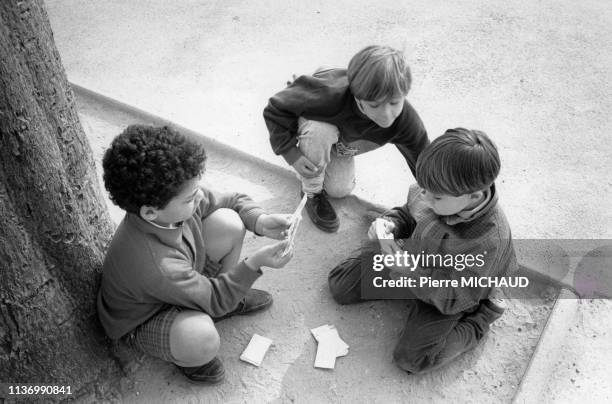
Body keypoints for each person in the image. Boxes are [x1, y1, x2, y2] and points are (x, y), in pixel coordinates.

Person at [97, 125, 293, 384]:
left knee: (230, 222)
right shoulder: (156, 264)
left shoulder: (170, 204)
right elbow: (213, 298)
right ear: (150, 212)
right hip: (145, 317)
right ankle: (190, 355)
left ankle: (227, 301)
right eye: (190, 197)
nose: (199, 196)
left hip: (179, 280)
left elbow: (232, 200)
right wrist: (255, 262)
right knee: (201, 337)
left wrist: (262, 221)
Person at [328, 128, 517, 374]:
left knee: (411, 358)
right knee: (340, 286)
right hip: (414, 258)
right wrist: (391, 223)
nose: (425, 198)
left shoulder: (487, 241)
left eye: (436, 198)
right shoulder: (435, 188)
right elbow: (409, 213)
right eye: (423, 187)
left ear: (474, 197)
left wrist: (409, 272)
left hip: (451, 291)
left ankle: (484, 317)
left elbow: (453, 298)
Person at [263, 45, 430, 233]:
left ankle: (320, 84)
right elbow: (275, 109)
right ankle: (311, 191)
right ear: (357, 99)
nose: (386, 114)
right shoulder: (328, 96)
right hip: (323, 106)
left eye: (394, 102)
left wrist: (444, 200)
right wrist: (291, 154)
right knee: (319, 131)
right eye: (374, 105)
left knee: (339, 190)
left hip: (342, 143)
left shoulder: (405, 121)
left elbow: (427, 162)